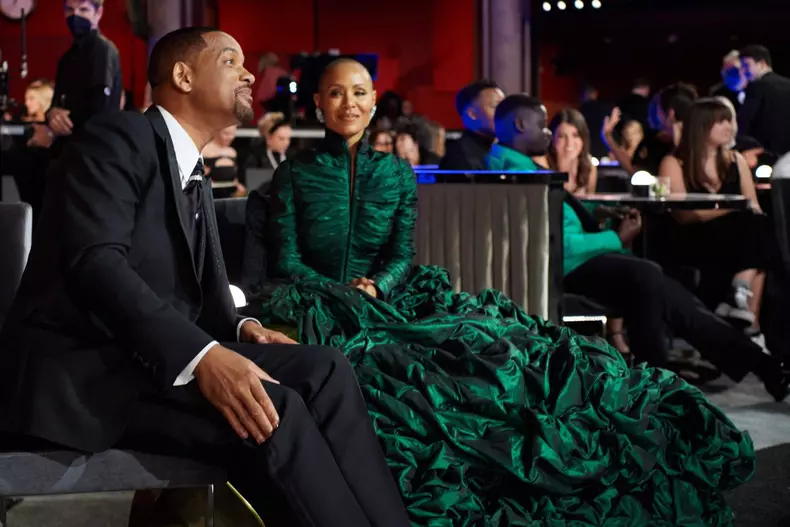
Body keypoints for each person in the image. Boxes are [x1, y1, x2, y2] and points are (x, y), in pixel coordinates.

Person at [241, 60, 784, 525]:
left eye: (359, 92)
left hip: (391, 295)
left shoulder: (397, 173)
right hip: (318, 302)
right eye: (336, 92)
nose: (348, 102)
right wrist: (343, 293)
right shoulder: (295, 173)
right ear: (318, 103)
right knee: (428, 386)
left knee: (507, 350)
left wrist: (377, 284)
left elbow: (400, 255)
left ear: (373, 99)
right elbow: (287, 259)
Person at [0, 28, 409, 527]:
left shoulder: (193, 168)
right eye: (231, 61)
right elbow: (96, 264)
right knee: (272, 413)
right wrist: (206, 357)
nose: (249, 73)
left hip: (152, 363)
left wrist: (237, 329)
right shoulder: (115, 138)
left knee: (327, 370)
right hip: (94, 377)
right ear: (183, 75)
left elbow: (195, 291)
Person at [485, 93, 789, 387]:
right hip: (567, 266)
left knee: (651, 284)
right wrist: (615, 237)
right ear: (520, 125)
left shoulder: (516, 165)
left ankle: (667, 380)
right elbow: (553, 244)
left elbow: (557, 219)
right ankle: (738, 368)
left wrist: (596, 211)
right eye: (542, 125)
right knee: (648, 278)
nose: (548, 134)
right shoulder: (514, 173)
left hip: (576, 259)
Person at [658, 99, 772, 341]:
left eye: (729, 120)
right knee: (755, 234)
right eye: (721, 122)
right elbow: (684, 214)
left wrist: (739, 211)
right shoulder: (674, 162)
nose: (729, 127)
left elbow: (753, 205)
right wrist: (731, 209)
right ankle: (750, 327)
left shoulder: (736, 160)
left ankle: (743, 308)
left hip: (736, 235)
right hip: (694, 236)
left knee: (760, 228)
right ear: (702, 126)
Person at [47, 0, 122, 144]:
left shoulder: (102, 50)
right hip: (71, 147)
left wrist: (59, 125)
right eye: (70, 9)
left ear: (98, 13)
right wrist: (52, 114)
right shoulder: (67, 58)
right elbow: (56, 102)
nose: (75, 15)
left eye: (83, 10)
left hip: (97, 148)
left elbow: (100, 109)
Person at [438, 79, 504, 170]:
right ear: (472, 114)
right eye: (496, 107)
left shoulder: (503, 151)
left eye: (504, 107)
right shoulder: (459, 157)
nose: (504, 113)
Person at [738, 45, 790, 157]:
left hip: (764, 153)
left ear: (762, 63)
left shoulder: (756, 86)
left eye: (746, 65)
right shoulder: (788, 83)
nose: (743, 71)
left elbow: (745, 121)